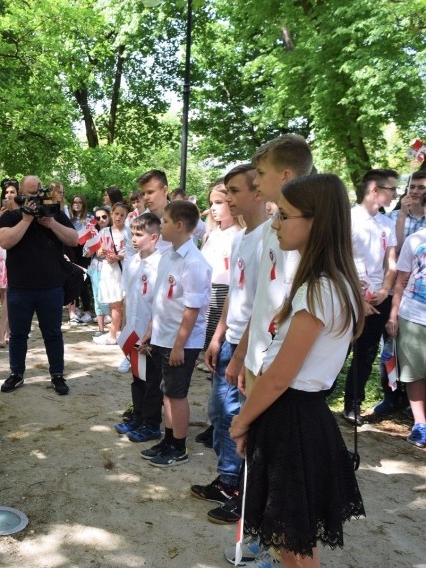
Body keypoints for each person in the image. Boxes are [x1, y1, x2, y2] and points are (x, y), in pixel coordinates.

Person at [230, 173, 366, 567]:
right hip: (299, 417)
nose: (276, 223)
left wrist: (242, 421)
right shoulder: (333, 283)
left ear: (316, 220)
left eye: (285, 216)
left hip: (292, 419)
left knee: (293, 542)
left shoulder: (319, 288)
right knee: (293, 537)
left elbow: (278, 377)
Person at [220, 134, 313, 549]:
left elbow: (291, 310)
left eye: (260, 174)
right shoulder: (267, 232)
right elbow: (258, 301)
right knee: (260, 460)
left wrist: (262, 361)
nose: (255, 183)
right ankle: (266, 544)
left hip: (280, 368)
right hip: (258, 358)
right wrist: (242, 354)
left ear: (287, 175)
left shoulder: (297, 232)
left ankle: (275, 549)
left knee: (277, 467)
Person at [193, 163, 265, 525]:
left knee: (241, 418)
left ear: (257, 192)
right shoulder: (240, 238)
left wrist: (238, 351)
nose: (227, 200)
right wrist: (219, 336)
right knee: (222, 414)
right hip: (232, 338)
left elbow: (265, 305)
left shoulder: (270, 237)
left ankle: (243, 489)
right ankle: (228, 479)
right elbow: (235, 295)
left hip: (252, 347)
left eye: (234, 192)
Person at [139, 201, 211, 467]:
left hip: (180, 341)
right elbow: (161, 300)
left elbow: (192, 309)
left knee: (176, 394)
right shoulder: (169, 255)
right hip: (163, 335)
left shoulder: (194, 263)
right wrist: (150, 330)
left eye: (166, 221)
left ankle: (179, 447)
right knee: (166, 391)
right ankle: (168, 440)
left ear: (179, 226)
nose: (162, 225)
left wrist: (180, 346)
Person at [0, 175, 78, 395]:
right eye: (30, 193)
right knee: (18, 334)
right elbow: (4, 241)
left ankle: (57, 374)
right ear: (21, 194)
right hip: (20, 287)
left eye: (38, 191)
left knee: (52, 333)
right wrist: (26, 220)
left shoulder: (54, 214)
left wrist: (51, 223)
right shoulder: (10, 216)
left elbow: (73, 239)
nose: (35, 197)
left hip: (50, 286)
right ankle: (16, 373)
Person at [342, 169, 398, 424]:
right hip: (348, 298)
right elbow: (340, 260)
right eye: (392, 189)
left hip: (377, 300)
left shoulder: (387, 223)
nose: (395, 194)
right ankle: (317, 399)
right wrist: (358, 298)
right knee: (338, 350)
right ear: (374, 189)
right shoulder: (347, 219)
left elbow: (392, 262)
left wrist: (385, 291)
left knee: (365, 353)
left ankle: (352, 404)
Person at [375, 171, 426, 415]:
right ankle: (390, 396)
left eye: (421, 188)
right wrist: (403, 214)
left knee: (416, 353)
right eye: (412, 187)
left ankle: (412, 404)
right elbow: (394, 250)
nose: (415, 191)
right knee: (390, 346)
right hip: (393, 289)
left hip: (416, 294)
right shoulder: (394, 217)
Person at [113, 213, 164, 443]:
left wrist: (150, 333)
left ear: (154, 237)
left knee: (152, 379)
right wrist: (125, 327)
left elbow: (161, 302)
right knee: (137, 376)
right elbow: (128, 296)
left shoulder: (161, 263)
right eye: (132, 234)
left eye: (139, 234)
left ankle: (152, 423)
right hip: (133, 330)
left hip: (151, 333)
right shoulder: (132, 262)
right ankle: (138, 416)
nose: (134, 239)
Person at [386, 226, 426, 447]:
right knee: (414, 373)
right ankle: (421, 425)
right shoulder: (415, 240)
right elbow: (400, 282)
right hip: (413, 315)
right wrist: (393, 315)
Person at [200, 181, 241, 356]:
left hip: (225, 291)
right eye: (211, 204)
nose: (213, 208)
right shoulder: (211, 233)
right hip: (207, 289)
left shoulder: (240, 233)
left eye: (219, 202)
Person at [93, 202, 132, 345]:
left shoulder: (129, 232)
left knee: (121, 303)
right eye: (116, 214)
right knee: (112, 302)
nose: (119, 217)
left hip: (122, 269)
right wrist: (102, 252)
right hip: (109, 269)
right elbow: (99, 250)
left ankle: (116, 333)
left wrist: (120, 256)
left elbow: (133, 251)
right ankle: (113, 332)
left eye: (122, 215)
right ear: (112, 214)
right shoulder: (105, 231)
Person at [0, 183, 20, 346]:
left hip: (15, 255)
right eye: (6, 192)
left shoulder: (22, 213)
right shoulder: (0, 211)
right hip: (0, 254)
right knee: (4, 296)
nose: (8, 194)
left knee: (10, 295)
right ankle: (7, 329)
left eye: (12, 192)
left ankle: (3, 332)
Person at [85, 206, 112, 338]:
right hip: (96, 268)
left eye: (104, 217)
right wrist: (93, 249)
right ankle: (101, 329)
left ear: (109, 216)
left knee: (114, 298)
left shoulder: (116, 232)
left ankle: (115, 329)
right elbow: (85, 253)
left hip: (113, 268)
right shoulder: (93, 234)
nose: (101, 220)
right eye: (98, 218)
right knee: (97, 297)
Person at [67, 194, 94, 325]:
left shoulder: (89, 218)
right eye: (74, 202)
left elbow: (94, 236)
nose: (77, 204)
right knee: (72, 280)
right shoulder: (68, 219)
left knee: (84, 281)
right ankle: (75, 308)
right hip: (72, 251)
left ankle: (87, 310)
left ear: (83, 204)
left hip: (84, 252)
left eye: (79, 202)